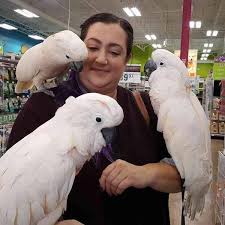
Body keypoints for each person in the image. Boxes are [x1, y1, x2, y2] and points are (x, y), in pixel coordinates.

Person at [7, 13, 182, 225]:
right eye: (92, 48)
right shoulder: (42, 107)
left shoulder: (146, 106)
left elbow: (184, 178)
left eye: (115, 52)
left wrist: (146, 173)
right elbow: (12, 197)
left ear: (127, 60)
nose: (101, 59)